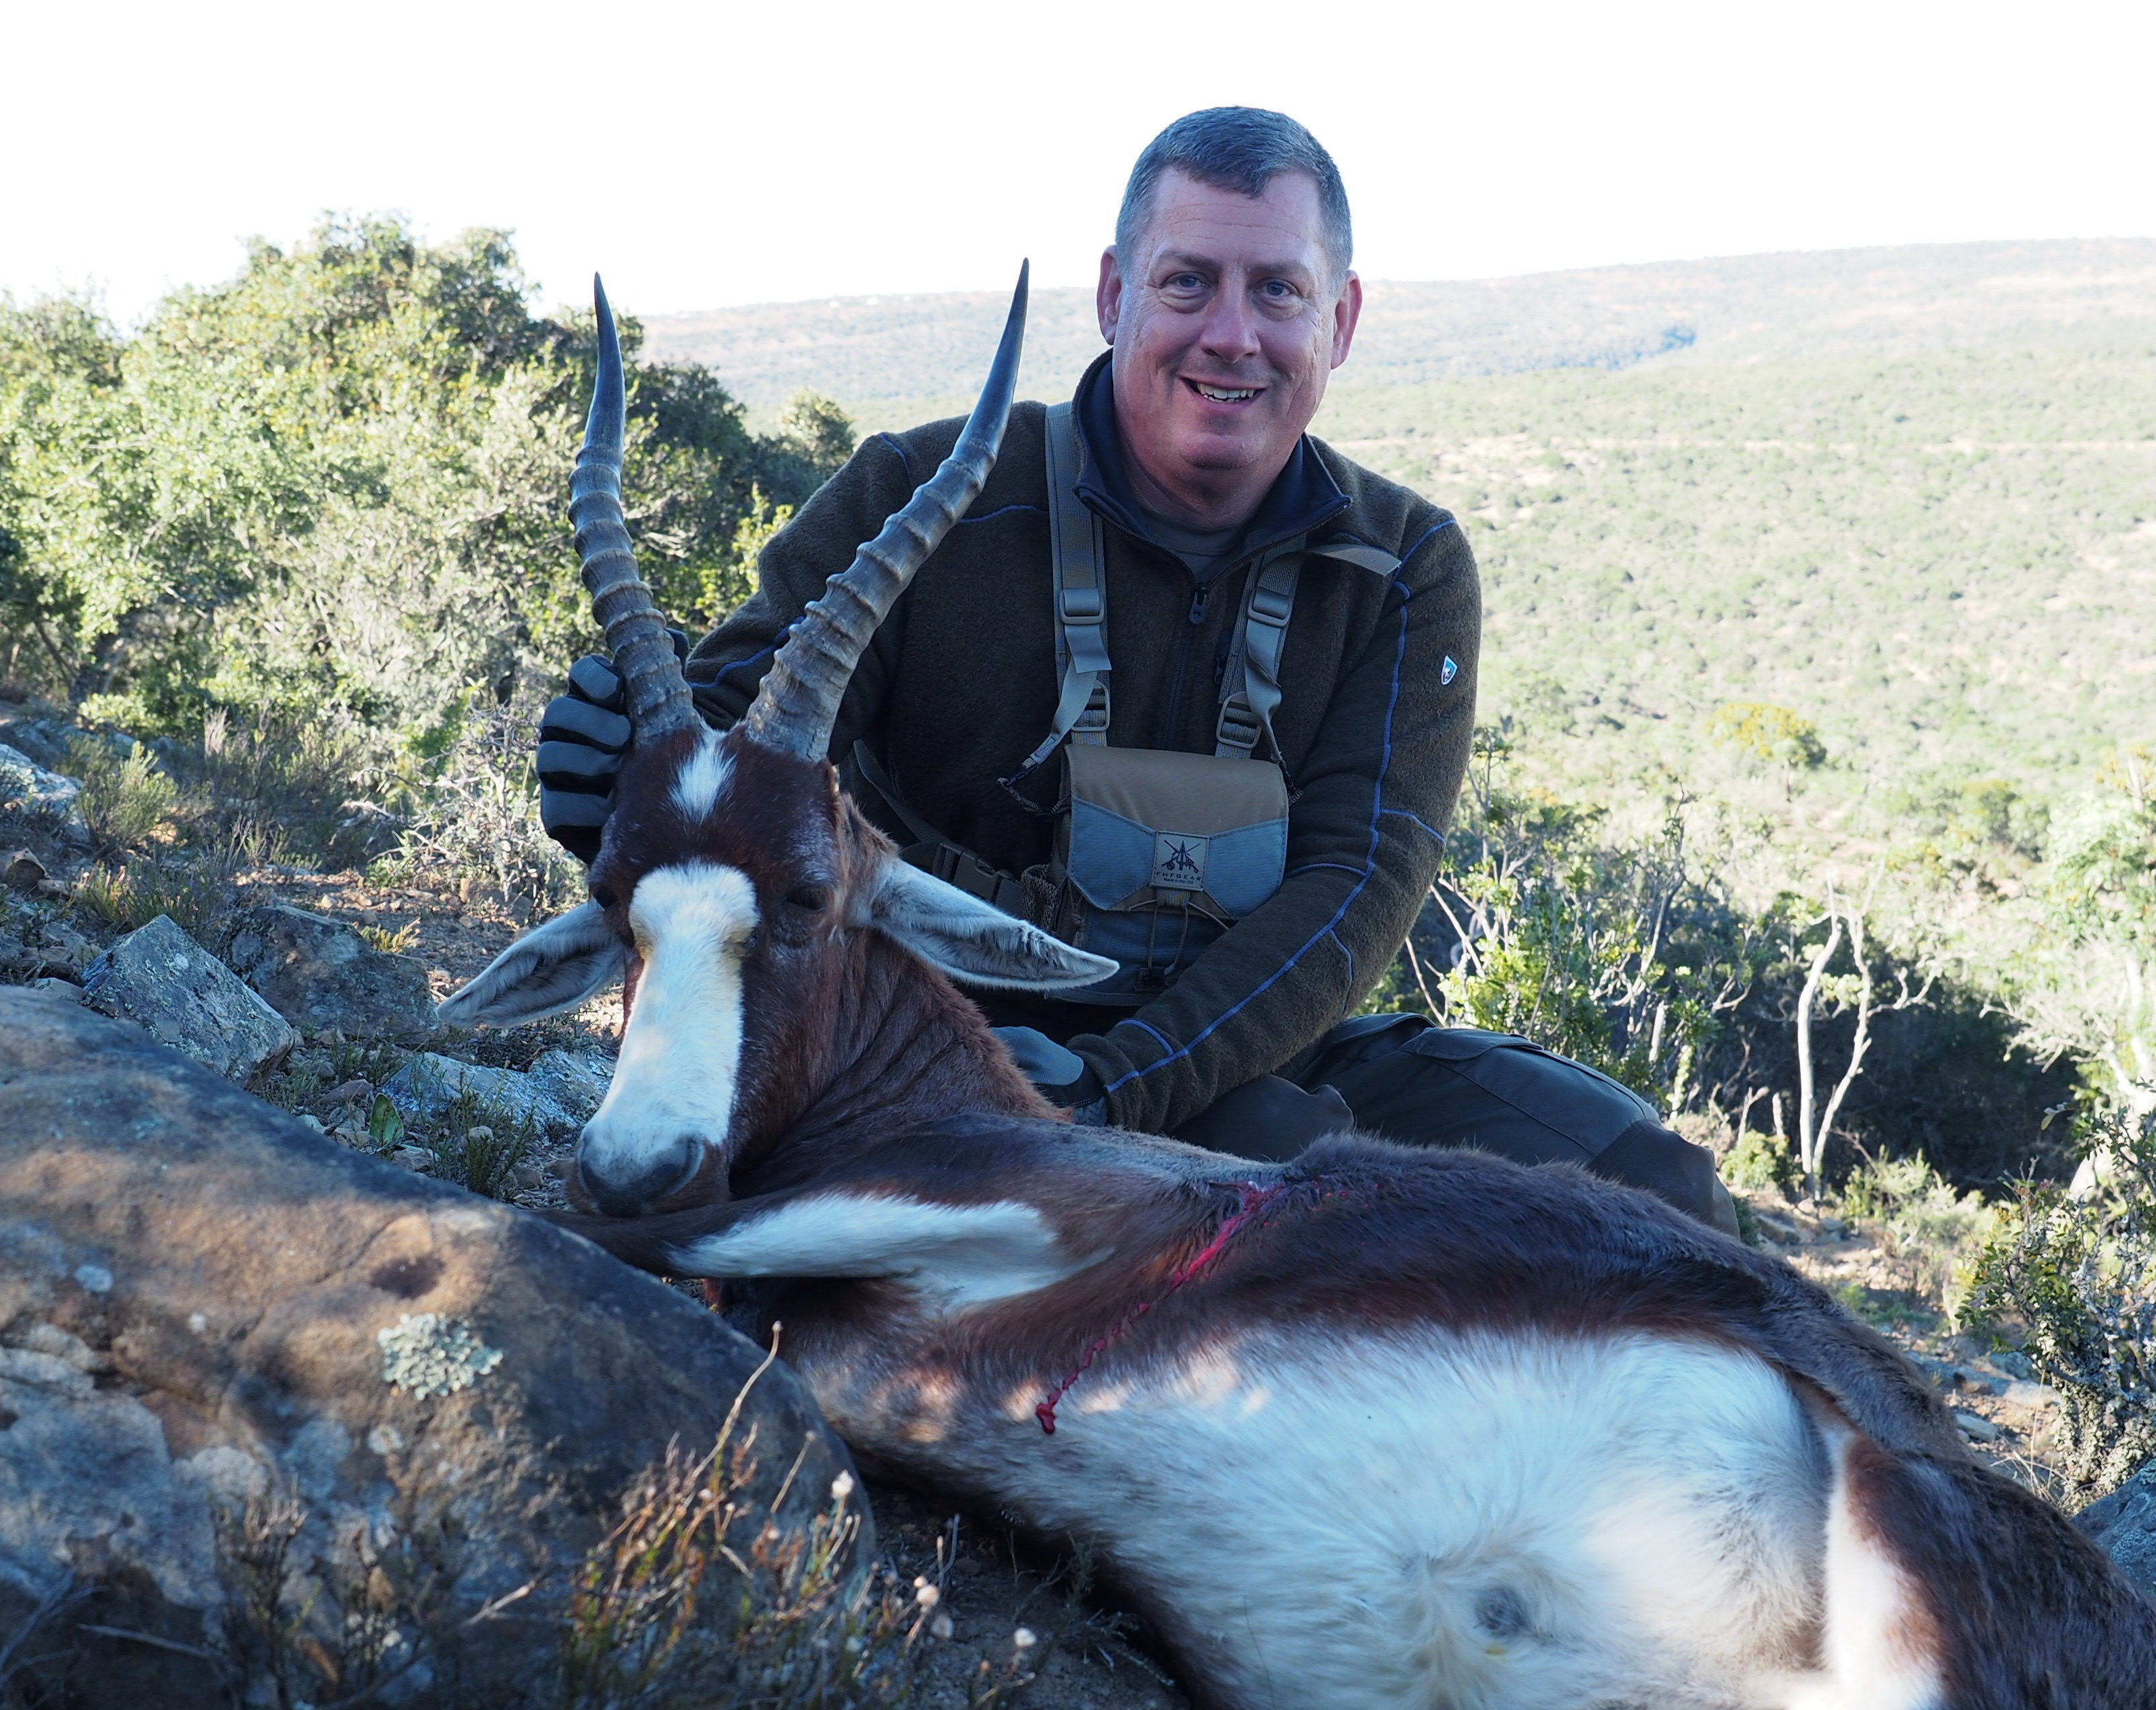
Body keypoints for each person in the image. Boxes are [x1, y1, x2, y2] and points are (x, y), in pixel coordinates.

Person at [535, 106, 1735, 1234]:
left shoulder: (1404, 562)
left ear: (1343, 320)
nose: (1233, 334)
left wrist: (1124, 1084)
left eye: (1278, 290)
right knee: (1274, 1172)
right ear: (1114, 295)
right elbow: (749, 736)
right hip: (931, 1028)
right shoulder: (920, 489)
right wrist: (629, 781)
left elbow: (1355, 894)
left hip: (1236, 1036)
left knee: (1651, 1188)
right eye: (1187, 281)